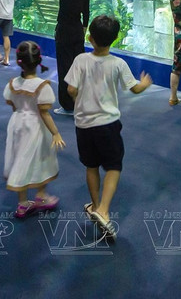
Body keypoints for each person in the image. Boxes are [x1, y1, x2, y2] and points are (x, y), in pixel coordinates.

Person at [65, 15, 153, 238]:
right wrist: (144, 84)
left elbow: (71, 90)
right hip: (108, 124)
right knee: (113, 166)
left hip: (83, 124)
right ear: (115, 39)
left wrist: (79, 100)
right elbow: (133, 89)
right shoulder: (118, 64)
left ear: (90, 38)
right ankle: (103, 210)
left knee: (91, 166)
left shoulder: (80, 60)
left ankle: (95, 206)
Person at [3, 41, 66, 218]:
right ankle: (41, 195)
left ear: (18, 61)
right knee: (42, 157)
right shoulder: (42, 85)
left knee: (20, 158)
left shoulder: (13, 84)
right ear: (39, 61)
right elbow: (44, 113)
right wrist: (55, 132)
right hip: (36, 126)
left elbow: (12, 104)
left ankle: (23, 203)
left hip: (17, 123)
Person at [44, 0, 91, 116]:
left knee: (64, 68)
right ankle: (79, 100)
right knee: (78, 68)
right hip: (77, 31)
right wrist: (83, 31)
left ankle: (67, 106)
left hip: (64, 31)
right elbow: (86, 15)